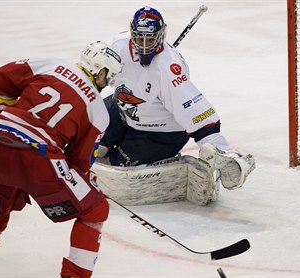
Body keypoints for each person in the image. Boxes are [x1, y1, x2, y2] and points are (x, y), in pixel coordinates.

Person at [0, 41, 122, 278]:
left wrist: (3, 120)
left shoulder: (50, 65)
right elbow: (78, 164)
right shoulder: (98, 110)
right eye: (108, 77)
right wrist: (86, 182)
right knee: (96, 209)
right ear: (100, 71)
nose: (108, 84)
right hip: (39, 155)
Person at [95, 6, 255, 205]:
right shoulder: (119, 43)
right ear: (132, 34)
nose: (144, 46)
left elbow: (200, 117)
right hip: (124, 107)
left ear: (161, 36)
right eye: (139, 39)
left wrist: (222, 150)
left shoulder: (170, 71)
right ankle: (108, 140)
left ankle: (176, 165)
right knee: (94, 136)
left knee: (116, 166)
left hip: (158, 134)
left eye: (150, 40)